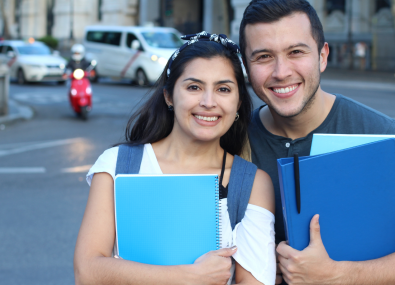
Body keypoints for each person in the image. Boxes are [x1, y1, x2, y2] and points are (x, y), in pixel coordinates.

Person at [74, 32, 276, 285]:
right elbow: (87, 272)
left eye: (223, 89)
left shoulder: (250, 183)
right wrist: (188, 277)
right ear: (169, 96)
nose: (208, 102)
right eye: (194, 87)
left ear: (237, 103)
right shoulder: (118, 165)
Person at [239, 0, 395, 284]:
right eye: (263, 57)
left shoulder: (383, 137)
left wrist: (340, 275)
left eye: (296, 52)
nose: (281, 71)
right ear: (246, 67)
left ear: (323, 56)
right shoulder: (230, 142)